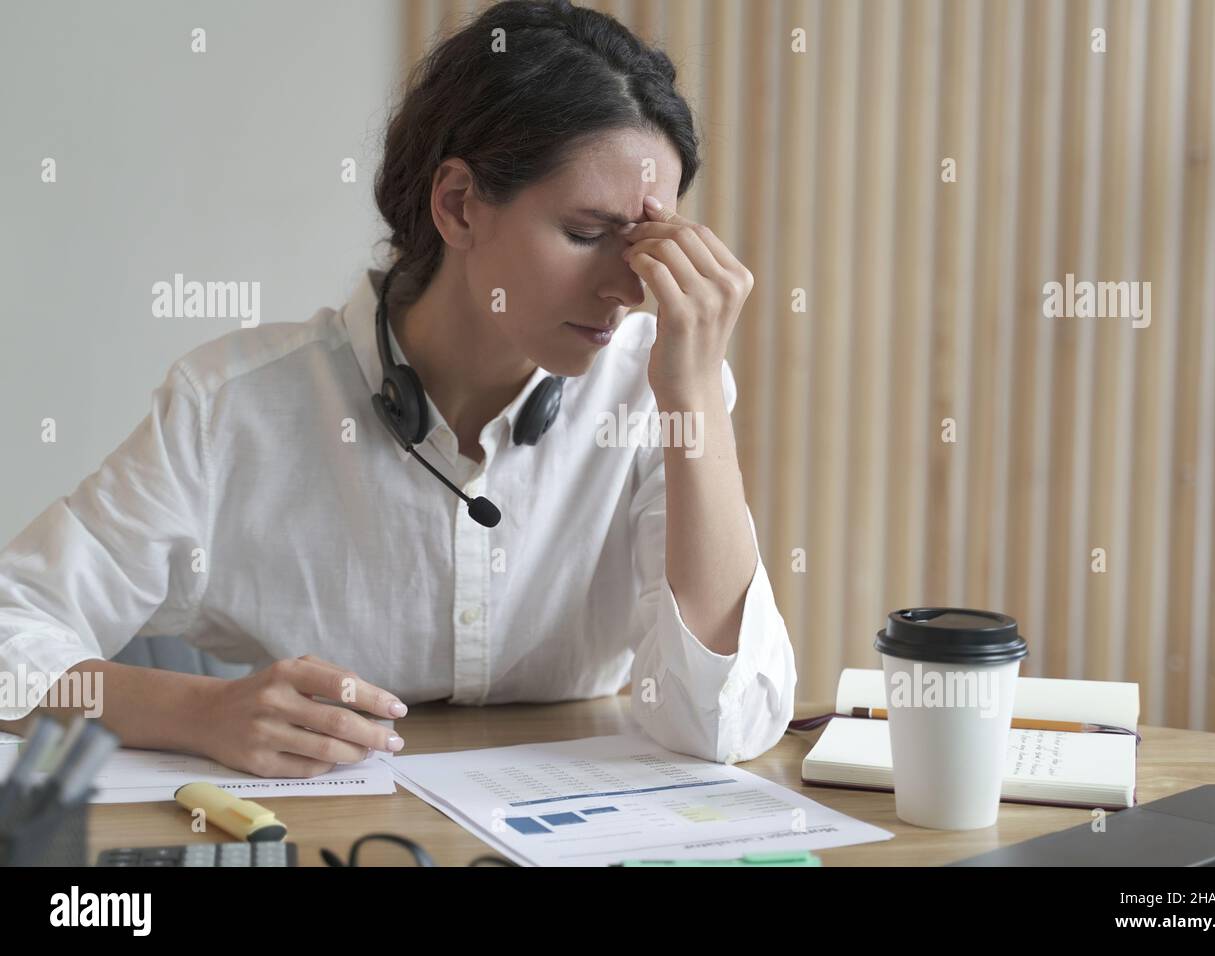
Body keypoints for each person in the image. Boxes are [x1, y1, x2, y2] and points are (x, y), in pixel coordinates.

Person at [0, 0, 795, 777]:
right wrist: (197, 711)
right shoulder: (233, 407)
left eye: (650, 242)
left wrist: (693, 402)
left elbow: (722, 721)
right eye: (587, 235)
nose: (630, 289)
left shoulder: (657, 387)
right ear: (457, 206)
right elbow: (10, 640)